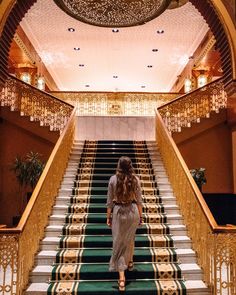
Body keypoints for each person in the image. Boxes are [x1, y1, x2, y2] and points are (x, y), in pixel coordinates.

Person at [106, 156, 143, 291]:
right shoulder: (135, 179)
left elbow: (110, 202)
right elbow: (139, 201)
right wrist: (141, 216)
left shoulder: (113, 179)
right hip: (133, 212)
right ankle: (130, 261)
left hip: (118, 212)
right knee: (129, 238)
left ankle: (122, 278)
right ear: (130, 166)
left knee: (119, 243)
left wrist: (108, 217)